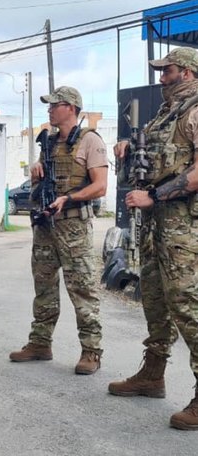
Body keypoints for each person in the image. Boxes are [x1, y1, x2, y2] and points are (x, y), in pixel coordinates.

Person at [108, 47, 198, 430]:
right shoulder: (166, 113)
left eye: (169, 71)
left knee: (188, 305)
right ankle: (153, 374)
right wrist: (128, 149)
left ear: (189, 74)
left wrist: (155, 195)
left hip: (184, 228)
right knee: (156, 301)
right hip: (157, 223)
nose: (162, 78)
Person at [9, 86, 108, 375]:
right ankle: (40, 342)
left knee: (82, 288)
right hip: (46, 225)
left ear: (71, 108)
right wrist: (37, 170)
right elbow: (44, 176)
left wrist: (69, 198)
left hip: (74, 224)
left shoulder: (90, 140)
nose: (49, 110)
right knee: (44, 286)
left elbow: (100, 185)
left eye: (55, 105)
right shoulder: (49, 142)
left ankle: (91, 351)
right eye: (49, 105)